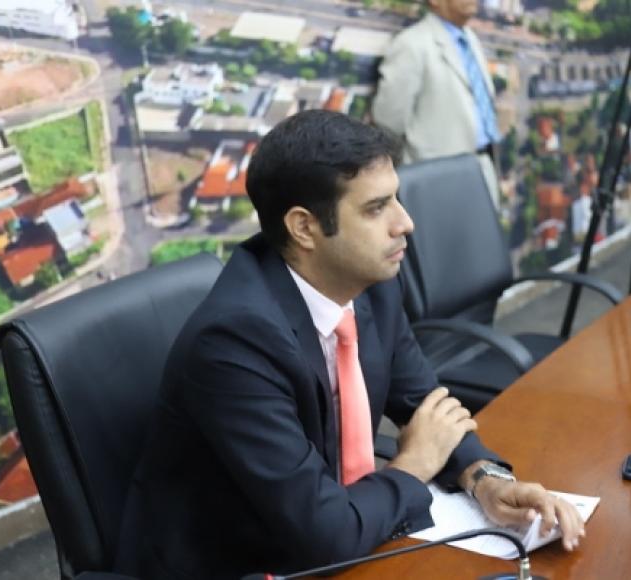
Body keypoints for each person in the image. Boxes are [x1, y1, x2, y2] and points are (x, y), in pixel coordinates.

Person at [115, 111, 583, 579]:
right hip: (242, 564)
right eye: (376, 208)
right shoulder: (234, 343)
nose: (405, 223)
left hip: (338, 532)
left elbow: (426, 407)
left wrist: (485, 480)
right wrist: (414, 464)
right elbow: (326, 534)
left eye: (396, 198)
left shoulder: (371, 283)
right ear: (304, 227)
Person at [372, 0, 501, 205]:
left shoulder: (470, 39)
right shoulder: (412, 43)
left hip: (482, 167)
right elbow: (389, 120)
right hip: (437, 179)